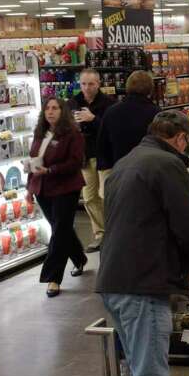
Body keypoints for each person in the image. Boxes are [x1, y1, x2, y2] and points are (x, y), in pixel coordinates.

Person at [97, 111, 189, 376]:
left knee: (139, 372)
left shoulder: (125, 163)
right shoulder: (167, 164)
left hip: (114, 279)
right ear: (181, 138)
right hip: (143, 286)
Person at [28, 98, 87, 298]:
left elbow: (75, 162)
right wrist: (29, 189)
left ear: (63, 112)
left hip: (66, 188)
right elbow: (33, 159)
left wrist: (50, 170)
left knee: (59, 231)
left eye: (55, 108)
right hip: (42, 189)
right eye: (47, 108)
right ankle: (79, 258)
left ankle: (53, 278)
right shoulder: (40, 133)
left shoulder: (73, 134)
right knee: (62, 228)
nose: (50, 112)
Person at [68, 68, 114, 252]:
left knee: (106, 196)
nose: (87, 88)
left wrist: (93, 119)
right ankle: (100, 234)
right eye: (83, 84)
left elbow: (111, 130)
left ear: (98, 84)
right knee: (89, 197)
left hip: (104, 156)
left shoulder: (108, 104)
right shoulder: (73, 103)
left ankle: (113, 232)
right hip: (84, 157)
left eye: (91, 84)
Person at [96, 70, 159, 174]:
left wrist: (105, 167)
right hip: (148, 169)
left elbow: (102, 144)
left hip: (119, 169)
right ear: (150, 89)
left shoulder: (112, 111)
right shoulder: (156, 113)